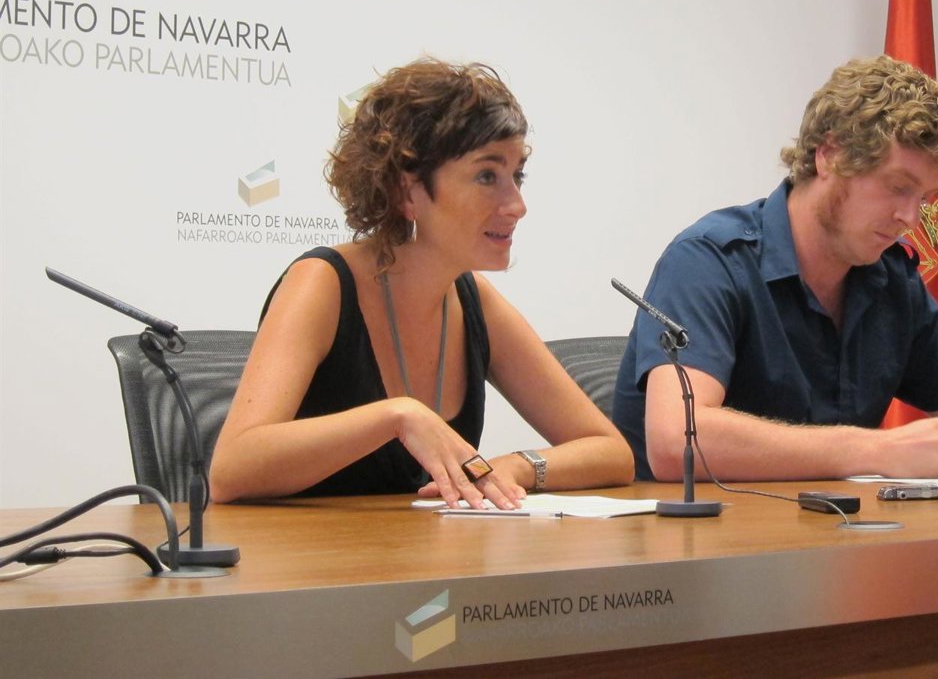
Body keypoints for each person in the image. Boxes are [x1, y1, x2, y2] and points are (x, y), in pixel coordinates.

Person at [611, 55, 938, 483]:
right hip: (697, 536)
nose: (911, 218)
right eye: (898, 187)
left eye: (925, 198)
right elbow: (676, 440)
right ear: (829, 155)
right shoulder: (708, 261)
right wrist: (876, 450)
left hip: (834, 532)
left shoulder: (891, 280)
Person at [210, 58, 633, 508]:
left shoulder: (473, 299)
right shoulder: (322, 283)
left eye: (517, 175)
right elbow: (231, 470)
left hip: (421, 553)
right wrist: (397, 417)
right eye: (487, 176)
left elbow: (612, 453)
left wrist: (517, 466)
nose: (517, 205)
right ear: (407, 190)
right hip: (305, 552)